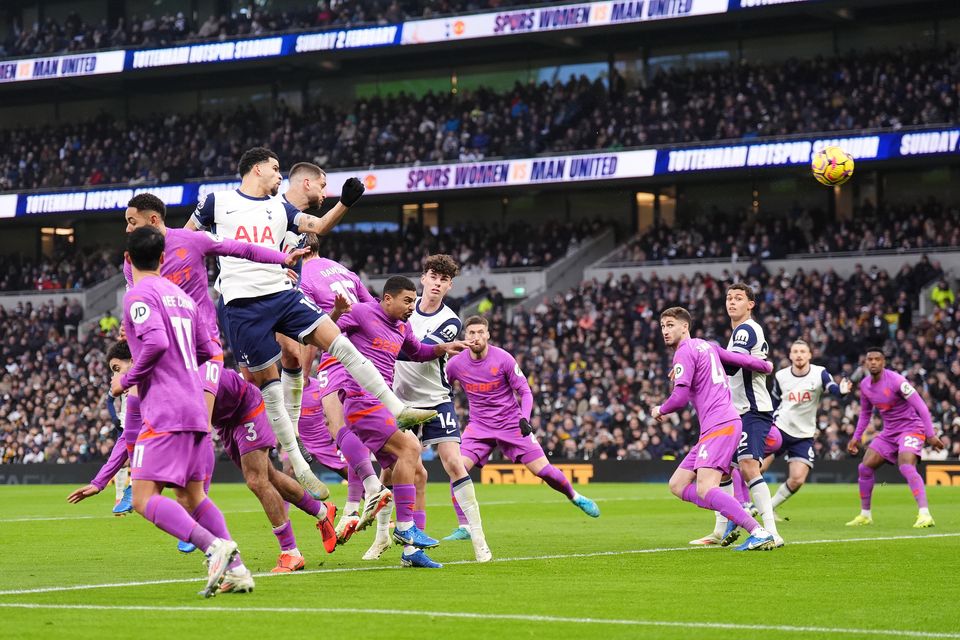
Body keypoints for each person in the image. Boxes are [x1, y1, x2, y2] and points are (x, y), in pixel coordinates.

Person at [186, 148, 437, 499]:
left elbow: (316, 226)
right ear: (257, 169)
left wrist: (345, 204)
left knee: (338, 342)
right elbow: (184, 242)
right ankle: (300, 466)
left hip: (282, 295)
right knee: (271, 385)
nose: (278, 174)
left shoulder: (279, 208)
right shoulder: (217, 202)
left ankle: (398, 410)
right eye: (275, 169)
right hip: (242, 306)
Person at [111, 226, 244, 597]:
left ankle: (215, 548)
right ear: (163, 258)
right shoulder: (183, 298)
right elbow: (208, 350)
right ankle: (236, 568)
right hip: (195, 405)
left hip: (165, 408)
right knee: (192, 496)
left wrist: (126, 380)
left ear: (127, 260)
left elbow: (154, 342)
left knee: (141, 498)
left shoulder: (138, 293)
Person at [335, 276, 468, 568]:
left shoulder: (402, 328)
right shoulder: (361, 312)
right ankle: (404, 526)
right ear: (387, 299)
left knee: (417, 473)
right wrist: (334, 314)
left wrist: (443, 349)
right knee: (410, 447)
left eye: (413, 300)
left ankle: (410, 552)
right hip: (361, 399)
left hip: (381, 404)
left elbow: (419, 352)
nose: (412, 306)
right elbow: (326, 334)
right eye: (407, 301)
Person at [372, 255, 490, 564]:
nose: (437, 283)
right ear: (424, 278)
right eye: (433, 277)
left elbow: (418, 353)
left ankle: (478, 539)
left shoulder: (450, 320)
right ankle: (383, 536)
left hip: (436, 398)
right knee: (393, 470)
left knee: (453, 462)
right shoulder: (401, 310)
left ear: (450, 285)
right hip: (400, 401)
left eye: (444, 280)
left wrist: (383, 338)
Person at [446, 316, 600, 523]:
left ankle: (575, 496)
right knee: (457, 469)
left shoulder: (503, 358)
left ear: (488, 334)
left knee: (545, 472)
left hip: (511, 424)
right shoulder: (455, 364)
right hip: (478, 427)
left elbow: (525, 392)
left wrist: (525, 419)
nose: (476, 337)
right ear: (465, 336)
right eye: (472, 333)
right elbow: (441, 389)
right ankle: (464, 526)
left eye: (481, 332)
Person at [654, 307, 777, 552]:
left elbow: (678, 399)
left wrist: (659, 410)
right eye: (663, 327)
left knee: (705, 488)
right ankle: (732, 510)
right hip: (717, 426)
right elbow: (740, 360)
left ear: (684, 327)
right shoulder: (706, 346)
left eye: (670, 325)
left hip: (719, 424)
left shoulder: (684, 352)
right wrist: (765, 366)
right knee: (677, 484)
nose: (665, 331)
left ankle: (758, 531)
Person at [295, 232, 392, 543]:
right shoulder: (344, 270)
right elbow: (372, 307)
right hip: (364, 350)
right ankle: (353, 506)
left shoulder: (303, 279)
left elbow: (310, 328)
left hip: (337, 351)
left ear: (302, 247)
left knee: (336, 426)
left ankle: (373, 487)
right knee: (355, 428)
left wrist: (304, 372)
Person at [695, 283, 782, 547]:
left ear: (750, 304)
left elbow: (732, 366)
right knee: (722, 472)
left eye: (738, 298)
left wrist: (708, 355)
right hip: (736, 411)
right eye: (729, 298)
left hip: (751, 410)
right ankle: (720, 531)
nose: (732, 302)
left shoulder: (746, 330)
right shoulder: (737, 333)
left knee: (747, 467)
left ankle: (771, 531)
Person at [846, 346, 944, 528]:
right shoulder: (865, 385)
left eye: (877, 359)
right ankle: (865, 515)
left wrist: (930, 435)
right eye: (870, 359)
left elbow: (922, 407)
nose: (873, 362)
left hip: (911, 427)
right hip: (889, 432)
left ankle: (925, 514)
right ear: (865, 362)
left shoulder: (897, 380)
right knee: (864, 467)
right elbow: (865, 414)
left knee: (906, 466)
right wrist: (856, 437)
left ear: (883, 362)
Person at [767, 340, 851, 516]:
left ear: (810, 355)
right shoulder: (781, 376)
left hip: (803, 435)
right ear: (790, 355)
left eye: (803, 351)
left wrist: (842, 391)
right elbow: (774, 402)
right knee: (756, 468)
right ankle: (742, 505)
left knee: (797, 479)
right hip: (780, 428)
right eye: (795, 351)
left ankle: (768, 508)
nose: (799, 355)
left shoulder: (819, 373)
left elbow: (833, 389)